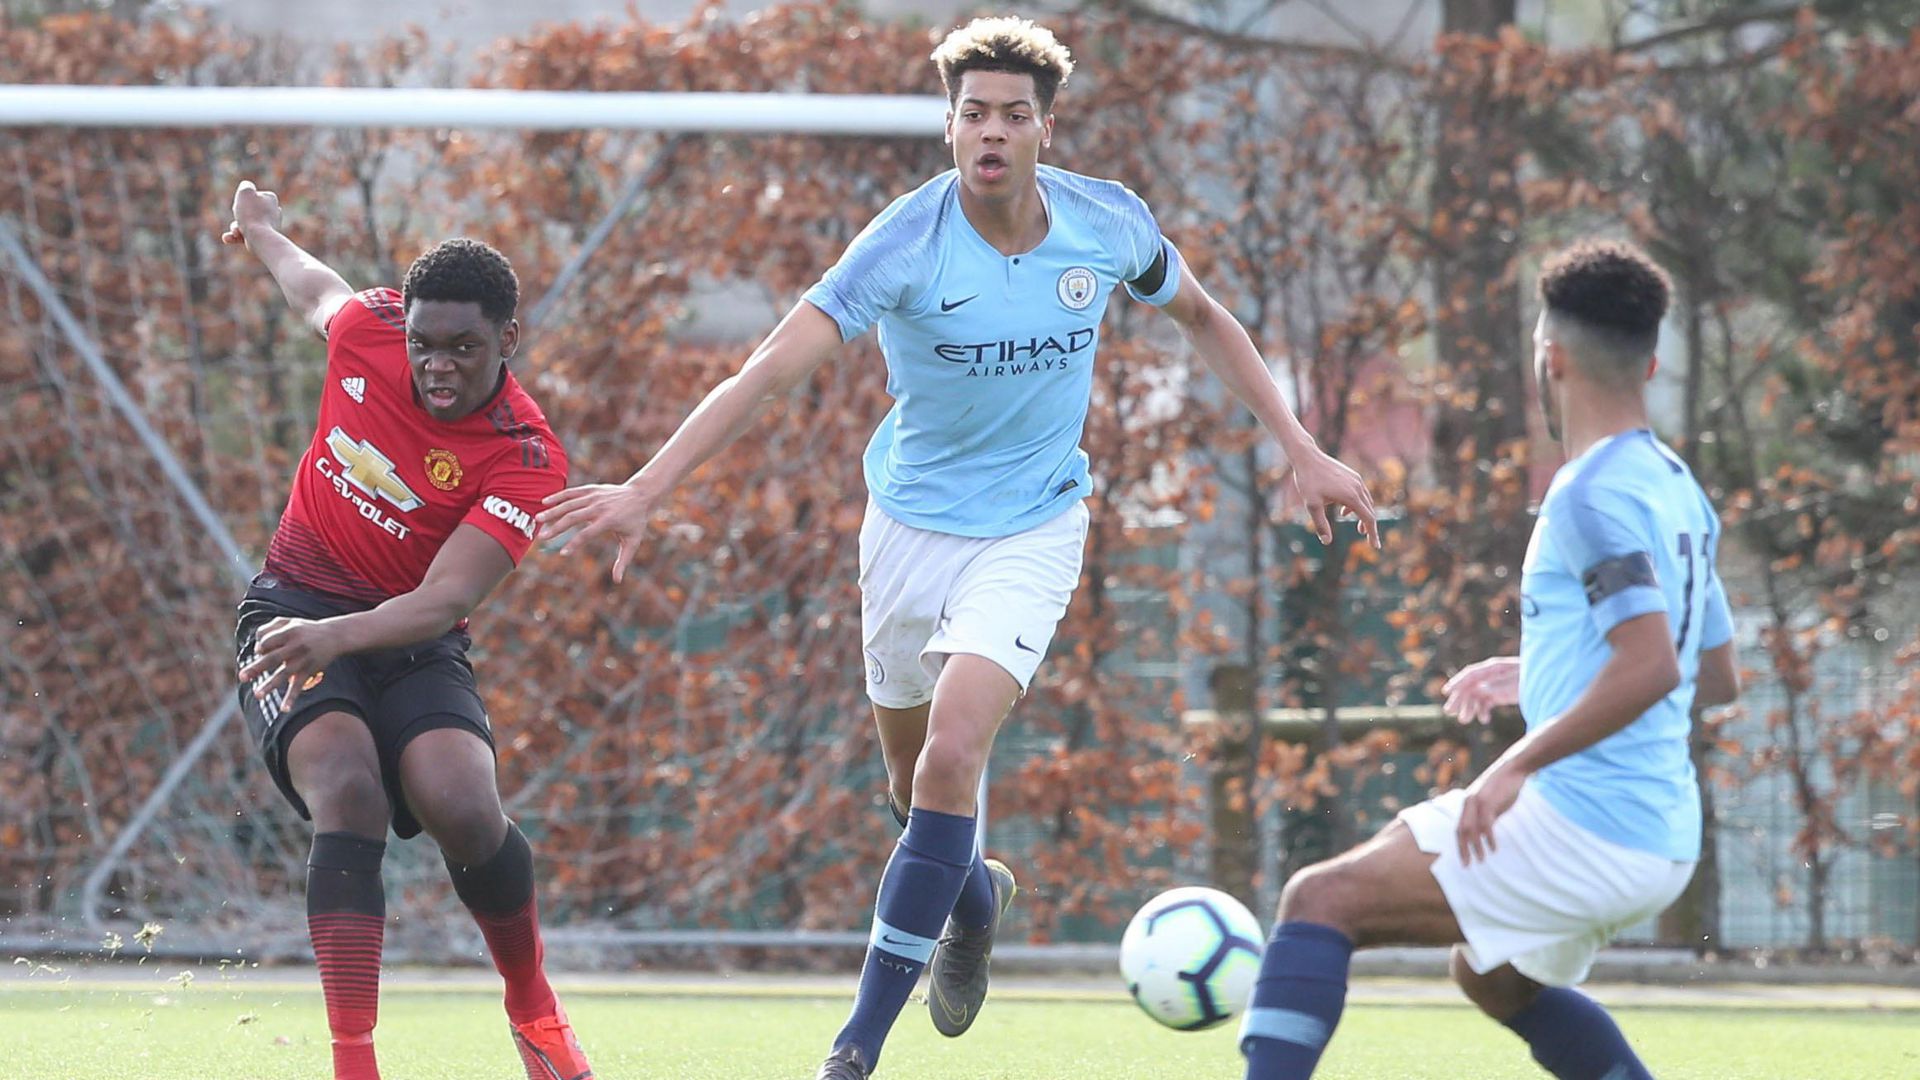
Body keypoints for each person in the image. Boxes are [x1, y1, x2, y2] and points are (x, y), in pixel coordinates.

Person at [535, 16, 1376, 1080]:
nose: (992, 132)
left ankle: (854, 1049)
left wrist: (1299, 444)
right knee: (911, 789)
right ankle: (974, 903)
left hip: (1033, 528)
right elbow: (770, 368)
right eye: (974, 113)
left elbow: (1203, 317)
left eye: (1013, 116)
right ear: (949, 127)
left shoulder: (1106, 223)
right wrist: (648, 489)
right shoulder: (904, 242)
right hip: (908, 529)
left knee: (951, 754)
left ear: (1044, 131)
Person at [1237, 239, 1742, 1080]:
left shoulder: (1589, 494)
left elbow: (1653, 664)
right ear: (1651, 364)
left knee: (1320, 899)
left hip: (1589, 824)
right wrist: (1544, 670)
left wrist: (1515, 764)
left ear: (1551, 359)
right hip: (1662, 832)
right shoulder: (1675, 487)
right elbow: (1713, 673)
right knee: (1492, 975)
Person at [223, 180, 592, 1080]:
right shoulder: (369, 331)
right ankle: (355, 1062)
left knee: (463, 804)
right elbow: (314, 289)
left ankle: (534, 1011)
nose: (437, 366)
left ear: (507, 341)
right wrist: (263, 230)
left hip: (411, 637)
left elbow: (442, 599)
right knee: (348, 791)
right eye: (424, 345)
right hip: (291, 611)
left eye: (464, 349)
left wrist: (340, 636)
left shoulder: (526, 455)